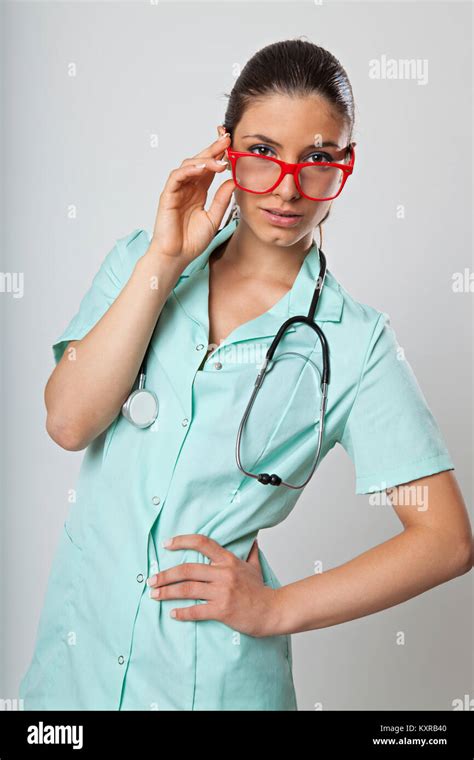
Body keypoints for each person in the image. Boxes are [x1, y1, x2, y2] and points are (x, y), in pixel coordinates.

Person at [19, 38, 472, 711]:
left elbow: (446, 541)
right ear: (223, 147)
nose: (289, 187)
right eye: (263, 152)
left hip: (212, 687)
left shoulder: (357, 343)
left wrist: (277, 609)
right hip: (72, 676)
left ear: (345, 165)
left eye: (318, 160)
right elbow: (68, 420)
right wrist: (167, 260)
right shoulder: (142, 263)